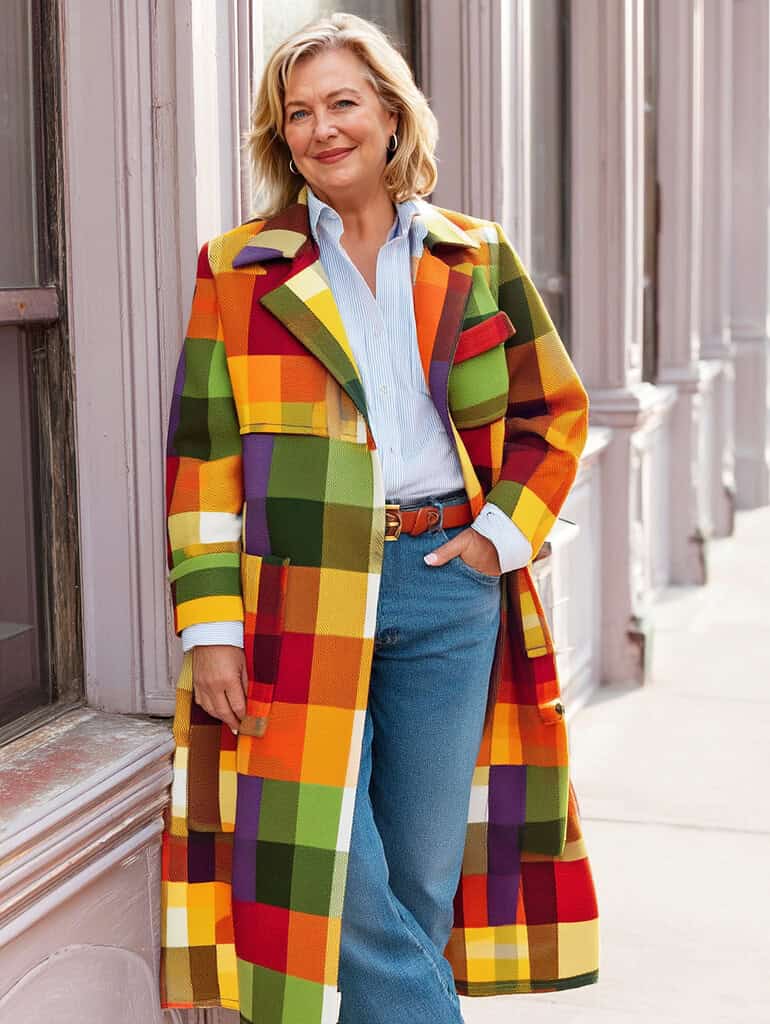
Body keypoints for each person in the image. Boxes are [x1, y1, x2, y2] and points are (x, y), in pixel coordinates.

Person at [159, 12, 599, 1024]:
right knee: (337, 877)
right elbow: (203, 460)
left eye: (343, 103)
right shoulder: (239, 270)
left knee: (420, 880)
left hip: (447, 585)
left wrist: (494, 541)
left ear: (392, 116)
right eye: (298, 113)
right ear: (282, 136)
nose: (321, 129)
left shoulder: (474, 255)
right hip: (298, 598)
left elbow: (553, 410)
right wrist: (211, 628)